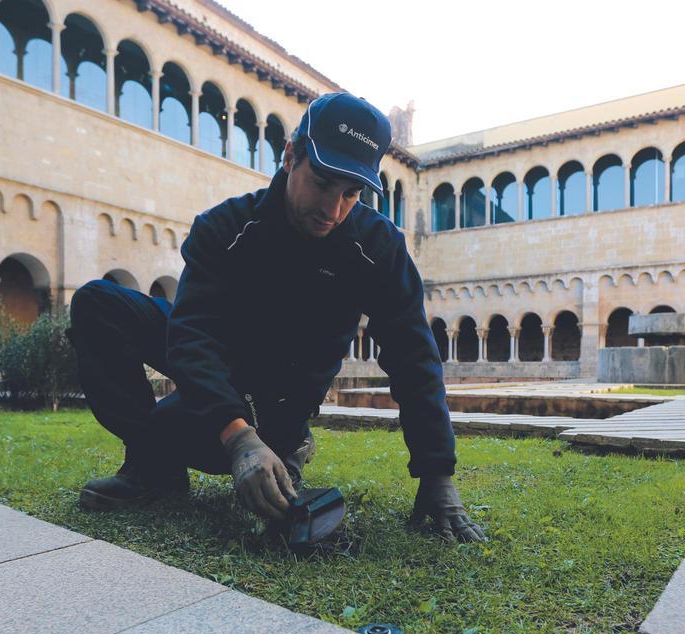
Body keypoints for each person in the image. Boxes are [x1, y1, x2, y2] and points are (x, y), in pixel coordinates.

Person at [68, 92, 485, 542]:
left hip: (279, 405)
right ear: (290, 156)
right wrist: (237, 437)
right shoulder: (225, 229)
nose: (333, 209)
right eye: (322, 182)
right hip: (220, 391)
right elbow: (189, 338)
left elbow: (414, 357)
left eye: (350, 193)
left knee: (172, 426)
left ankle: (286, 452)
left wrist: (437, 476)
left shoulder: (376, 248)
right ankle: (151, 469)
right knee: (98, 303)